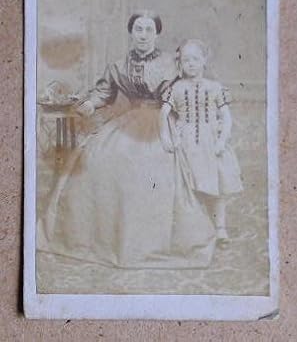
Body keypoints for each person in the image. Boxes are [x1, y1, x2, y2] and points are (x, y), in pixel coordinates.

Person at [37, 14, 216, 268]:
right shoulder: (118, 64)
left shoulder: (171, 63)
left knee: (147, 164)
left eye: (148, 29)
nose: (143, 34)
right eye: (138, 29)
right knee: (97, 157)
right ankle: (100, 237)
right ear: (131, 32)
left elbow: (186, 92)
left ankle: (151, 241)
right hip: (129, 121)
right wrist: (90, 103)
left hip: (162, 122)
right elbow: (104, 92)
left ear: (157, 34)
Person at [160, 39, 243, 246]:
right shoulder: (176, 88)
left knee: (218, 185)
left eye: (196, 59)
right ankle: (197, 229)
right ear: (180, 63)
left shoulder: (215, 87)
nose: (191, 64)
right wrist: (167, 136)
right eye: (186, 60)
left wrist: (222, 140)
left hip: (211, 142)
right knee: (192, 186)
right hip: (187, 143)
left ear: (204, 60)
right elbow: (164, 113)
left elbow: (227, 117)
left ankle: (220, 228)